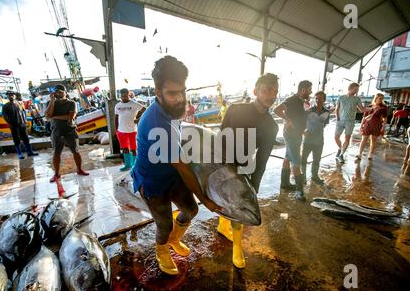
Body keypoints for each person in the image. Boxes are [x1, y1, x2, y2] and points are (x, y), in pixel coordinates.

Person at [131, 56, 222, 275]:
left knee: (190, 210)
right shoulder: (156, 122)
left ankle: (174, 240)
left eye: (182, 91)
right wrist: (207, 199)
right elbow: (183, 167)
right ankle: (162, 249)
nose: (180, 98)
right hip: (152, 183)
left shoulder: (171, 109)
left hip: (170, 176)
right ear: (157, 91)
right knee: (164, 224)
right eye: (173, 93)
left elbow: (180, 134)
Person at [217, 73, 279, 268]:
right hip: (222, 163)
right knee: (219, 200)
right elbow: (221, 135)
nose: (272, 95)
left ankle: (237, 246)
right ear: (256, 91)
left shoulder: (271, 126)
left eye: (275, 91)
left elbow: (262, 160)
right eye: (267, 90)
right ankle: (221, 225)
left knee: (239, 207)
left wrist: (255, 186)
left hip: (244, 168)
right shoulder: (235, 110)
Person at [274, 80, 312, 201]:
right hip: (291, 134)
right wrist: (287, 119)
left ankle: (284, 183)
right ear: (303, 89)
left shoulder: (301, 102)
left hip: (297, 133)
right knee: (296, 161)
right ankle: (300, 191)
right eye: (309, 89)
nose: (311, 91)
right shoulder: (291, 100)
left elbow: (299, 117)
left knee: (288, 157)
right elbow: (277, 110)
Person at [45, 84, 89, 182]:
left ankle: (80, 169)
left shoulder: (71, 103)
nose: (58, 93)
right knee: (56, 153)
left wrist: (55, 117)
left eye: (61, 91)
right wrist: (52, 100)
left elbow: (71, 116)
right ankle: (56, 174)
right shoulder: (50, 102)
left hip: (70, 131)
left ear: (65, 92)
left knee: (75, 151)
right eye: (56, 92)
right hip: (56, 132)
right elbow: (47, 116)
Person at [334, 82, 369, 163]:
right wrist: (337, 118)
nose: (356, 91)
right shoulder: (341, 97)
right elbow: (337, 109)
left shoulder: (357, 99)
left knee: (347, 138)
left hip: (350, 122)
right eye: (355, 89)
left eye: (357, 90)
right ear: (350, 88)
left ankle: (341, 155)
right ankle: (340, 148)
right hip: (340, 121)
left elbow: (362, 109)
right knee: (336, 137)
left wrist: (372, 109)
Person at [301, 91, 330, 185]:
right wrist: (303, 131)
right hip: (308, 140)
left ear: (324, 99)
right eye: (316, 98)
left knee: (316, 160)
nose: (318, 100)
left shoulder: (327, 112)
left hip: (319, 140)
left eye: (320, 98)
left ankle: (314, 176)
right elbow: (301, 123)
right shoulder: (308, 111)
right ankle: (303, 176)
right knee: (303, 159)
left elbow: (324, 125)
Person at [115, 88, 145, 171]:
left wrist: (138, 119)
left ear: (128, 94)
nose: (124, 97)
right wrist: (116, 129)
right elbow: (116, 117)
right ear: (120, 96)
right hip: (121, 131)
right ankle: (127, 165)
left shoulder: (134, 104)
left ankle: (135, 166)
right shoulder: (117, 105)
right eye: (122, 96)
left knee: (133, 149)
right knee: (125, 149)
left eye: (125, 96)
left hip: (132, 131)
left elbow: (145, 110)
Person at [2, 91, 38, 159]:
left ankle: (30, 152)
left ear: (15, 96)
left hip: (22, 125)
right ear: (7, 97)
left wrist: (25, 122)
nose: (11, 96)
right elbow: (4, 116)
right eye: (9, 95)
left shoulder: (19, 103)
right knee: (16, 140)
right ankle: (19, 154)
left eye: (12, 95)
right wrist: (10, 124)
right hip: (14, 126)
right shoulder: (5, 106)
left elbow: (23, 113)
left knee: (26, 139)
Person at [356, 93, 388, 161]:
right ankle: (359, 154)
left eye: (382, 99)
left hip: (377, 124)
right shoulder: (370, 106)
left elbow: (385, 118)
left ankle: (370, 154)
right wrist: (361, 125)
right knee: (363, 139)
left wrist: (383, 127)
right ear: (376, 98)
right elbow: (364, 117)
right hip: (368, 124)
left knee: (373, 140)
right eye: (380, 98)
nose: (381, 100)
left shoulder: (383, 107)